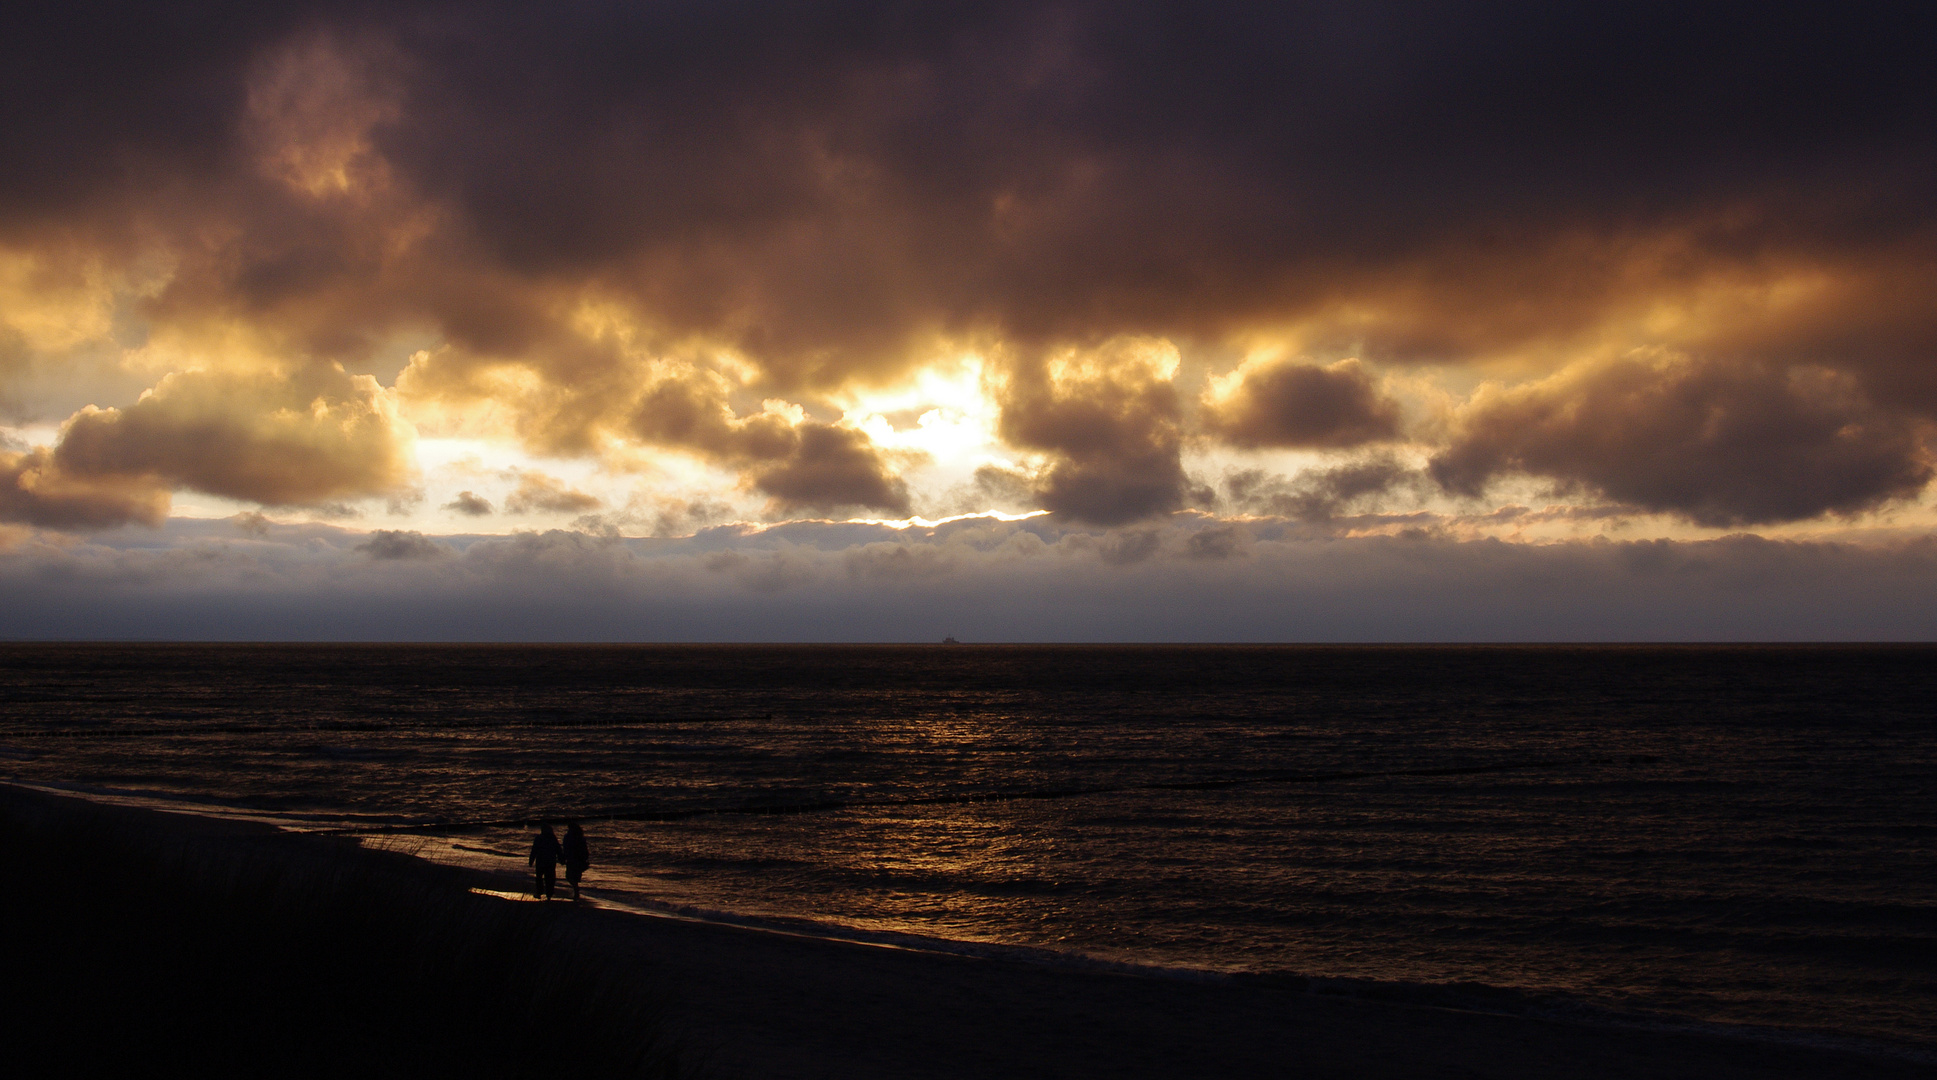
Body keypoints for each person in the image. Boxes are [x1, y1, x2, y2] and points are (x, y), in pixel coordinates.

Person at [528, 823, 561, 899]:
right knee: (550, 878)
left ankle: (539, 892)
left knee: (539, 877)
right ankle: (549, 894)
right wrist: (561, 858)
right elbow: (558, 849)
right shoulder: (553, 838)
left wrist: (531, 860)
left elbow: (534, 850)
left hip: (541, 861)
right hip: (550, 861)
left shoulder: (539, 838)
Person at [562, 822, 590, 900]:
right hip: (578, 859)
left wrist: (564, 857)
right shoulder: (580, 837)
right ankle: (576, 890)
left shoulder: (568, 837)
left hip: (572, 859)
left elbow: (566, 848)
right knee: (574, 877)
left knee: (570, 876)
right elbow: (585, 849)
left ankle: (576, 890)